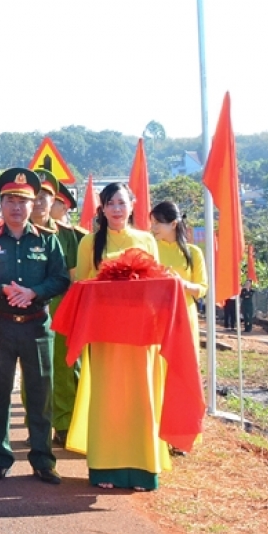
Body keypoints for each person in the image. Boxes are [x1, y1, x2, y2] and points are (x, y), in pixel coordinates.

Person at [0, 168, 69, 485]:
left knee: (41, 396)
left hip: (38, 327)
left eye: (23, 201)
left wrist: (35, 292)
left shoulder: (49, 241)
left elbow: (61, 278)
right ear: (2, 203)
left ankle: (42, 459)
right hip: (0, 326)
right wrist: (4, 291)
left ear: (33, 204)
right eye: (10, 200)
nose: (16, 207)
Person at [69, 182, 166, 491]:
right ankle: (105, 468)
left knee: (141, 397)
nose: (116, 209)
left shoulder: (146, 239)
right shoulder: (89, 243)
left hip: (140, 334)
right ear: (102, 208)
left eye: (121, 203)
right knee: (107, 400)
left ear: (132, 205)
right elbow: (82, 285)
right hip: (105, 334)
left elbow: (156, 282)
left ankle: (142, 469)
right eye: (110, 203)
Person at [31, 170, 85, 447]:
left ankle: (64, 423)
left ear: (54, 200)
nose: (39, 202)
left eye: (45, 197)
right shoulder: (14, 232)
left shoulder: (69, 236)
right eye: (35, 196)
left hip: (61, 308)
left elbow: (76, 279)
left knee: (64, 370)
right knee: (33, 372)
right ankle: (36, 425)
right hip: (26, 311)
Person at [151, 200, 207, 352]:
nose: (153, 228)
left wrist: (181, 283)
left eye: (157, 223)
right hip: (156, 315)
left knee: (184, 362)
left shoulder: (193, 252)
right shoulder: (150, 249)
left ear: (173, 224)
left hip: (184, 314)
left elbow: (202, 289)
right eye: (152, 223)